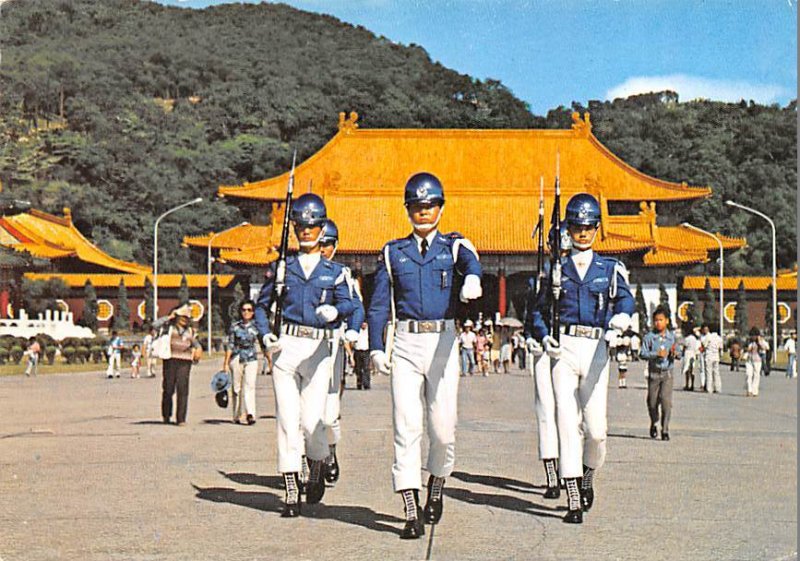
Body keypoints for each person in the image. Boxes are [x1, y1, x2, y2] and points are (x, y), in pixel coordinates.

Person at [366, 172, 482, 539]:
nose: (423, 211)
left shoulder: (453, 245)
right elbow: (379, 305)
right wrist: (375, 346)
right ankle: (411, 510)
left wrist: (473, 279)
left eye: (429, 205)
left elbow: (472, 262)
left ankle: (437, 482)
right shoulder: (392, 252)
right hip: (406, 342)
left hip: (443, 341)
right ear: (408, 210)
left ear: (441, 207)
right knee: (406, 426)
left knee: (443, 430)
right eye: (416, 206)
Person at [528, 193, 635, 524]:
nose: (583, 233)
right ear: (568, 230)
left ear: (597, 229)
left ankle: (588, 474)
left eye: (588, 227)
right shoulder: (556, 269)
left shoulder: (610, 269)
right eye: (576, 227)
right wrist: (544, 334)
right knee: (566, 422)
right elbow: (538, 310)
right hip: (564, 348)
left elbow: (625, 301)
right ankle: (573, 496)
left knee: (596, 430)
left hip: (596, 348)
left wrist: (621, 320)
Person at [254, 193, 356, 518]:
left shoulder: (335, 272)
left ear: (322, 227)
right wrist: (265, 332)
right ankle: (290, 487)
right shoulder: (282, 269)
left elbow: (352, 306)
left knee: (313, 423)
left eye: (313, 226)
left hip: (319, 349)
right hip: (287, 346)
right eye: (301, 226)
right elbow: (260, 305)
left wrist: (336, 311)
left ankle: (316, 461)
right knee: (287, 420)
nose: (307, 232)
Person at [318, 218, 365, 486]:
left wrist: (353, 330)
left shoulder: (340, 273)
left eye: (327, 244)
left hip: (330, 342)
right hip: (300, 343)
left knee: (329, 410)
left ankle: (331, 453)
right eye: (319, 243)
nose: (322, 248)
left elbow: (356, 306)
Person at [152, 304, 202, 426]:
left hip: (185, 361)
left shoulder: (190, 331)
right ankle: (166, 415)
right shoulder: (168, 328)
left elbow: (196, 344)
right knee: (168, 388)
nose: (185, 319)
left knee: (183, 389)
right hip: (170, 359)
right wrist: (169, 317)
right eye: (183, 317)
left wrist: (198, 350)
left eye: (187, 317)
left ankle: (181, 418)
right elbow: (154, 325)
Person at [640, 306, 681, 441]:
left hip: (667, 374)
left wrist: (675, 353)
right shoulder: (649, 337)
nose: (658, 323)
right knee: (652, 402)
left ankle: (665, 429)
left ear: (667, 321)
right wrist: (655, 354)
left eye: (661, 320)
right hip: (654, 374)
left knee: (666, 402)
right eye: (656, 320)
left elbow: (679, 352)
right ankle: (654, 421)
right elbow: (643, 354)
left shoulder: (672, 337)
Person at [223, 299, 261, 425]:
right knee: (236, 388)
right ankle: (237, 414)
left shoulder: (256, 326)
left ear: (253, 312)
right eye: (244, 310)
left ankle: (250, 414)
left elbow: (263, 343)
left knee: (250, 386)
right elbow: (230, 345)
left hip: (251, 358)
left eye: (249, 310)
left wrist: (269, 359)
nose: (246, 312)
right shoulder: (235, 327)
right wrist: (226, 364)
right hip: (237, 357)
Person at [745, 328, 769, 397]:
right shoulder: (749, 342)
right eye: (752, 335)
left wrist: (759, 342)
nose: (753, 337)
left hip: (757, 361)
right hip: (749, 360)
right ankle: (749, 390)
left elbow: (766, 348)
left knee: (756, 375)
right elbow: (746, 349)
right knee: (748, 375)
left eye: (754, 335)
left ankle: (754, 390)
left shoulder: (761, 341)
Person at [701, 325, 723, 393]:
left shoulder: (708, 336)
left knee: (709, 373)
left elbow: (704, 345)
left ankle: (709, 388)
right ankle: (718, 388)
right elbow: (720, 348)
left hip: (709, 356)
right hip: (716, 356)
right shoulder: (719, 338)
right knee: (716, 373)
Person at [353, 321, 371, 389]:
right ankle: (359, 382)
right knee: (358, 368)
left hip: (366, 350)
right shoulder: (357, 330)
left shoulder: (369, 331)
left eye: (365, 324)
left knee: (366, 367)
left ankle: (366, 383)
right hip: (358, 350)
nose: (364, 325)